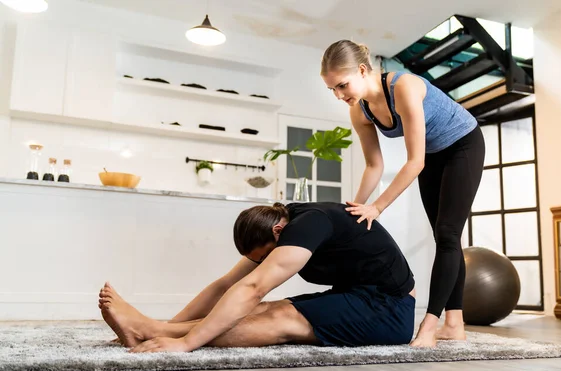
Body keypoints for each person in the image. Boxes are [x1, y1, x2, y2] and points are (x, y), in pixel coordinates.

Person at [320, 40, 485, 348]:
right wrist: (359, 205)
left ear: (361, 70)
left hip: (463, 144)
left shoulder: (404, 87)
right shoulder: (360, 111)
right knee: (444, 237)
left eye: (342, 85)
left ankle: (429, 325)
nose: (340, 95)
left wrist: (378, 208)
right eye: (333, 90)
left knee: (448, 234)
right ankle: (455, 324)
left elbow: (414, 162)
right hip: (435, 154)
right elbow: (374, 165)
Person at [99, 201, 416, 352]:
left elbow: (253, 287)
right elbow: (226, 285)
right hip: (358, 297)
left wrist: (186, 344)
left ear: (278, 231)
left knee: (281, 318)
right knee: (264, 310)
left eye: (264, 256)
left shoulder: (308, 224)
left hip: (391, 310)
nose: (262, 263)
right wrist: (170, 327)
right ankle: (152, 329)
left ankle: (150, 330)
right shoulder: (284, 224)